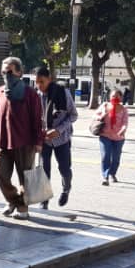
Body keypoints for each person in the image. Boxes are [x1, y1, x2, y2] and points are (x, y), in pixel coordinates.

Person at [0, 57, 43, 221]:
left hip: (25, 142)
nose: (6, 74)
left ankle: (22, 208)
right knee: (0, 172)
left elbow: (37, 119)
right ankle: (13, 200)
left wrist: (38, 142)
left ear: (19, 72)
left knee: (25, 177)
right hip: (4, 141)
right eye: (4, 71)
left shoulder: (31, 94)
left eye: (10, 71)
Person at [34, 67, 78, 209]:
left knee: (64, 169)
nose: (39, 85)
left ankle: (66, 189)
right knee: (43, 168)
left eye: (42, 81)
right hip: (44, 139)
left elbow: (73, 115)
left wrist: (58, 130)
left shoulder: (62, 93)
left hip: (61, 139)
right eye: (36, 82)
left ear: (49, 79)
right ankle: (44, 200)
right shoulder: (36, 96)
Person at [95, 88, 129, 185]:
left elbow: (125, 122)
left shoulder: (124, 109)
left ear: (121, 97)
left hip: (118, 138)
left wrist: (123, 129)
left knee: (115, 158)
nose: (115, 97)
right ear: (110, 97)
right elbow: (95, 116)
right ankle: (105, 177)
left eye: (117, 96)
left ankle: (112, 173)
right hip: (105, 136)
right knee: (105, 156)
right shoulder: (105, 106)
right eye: (113, 96)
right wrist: (101, 116)